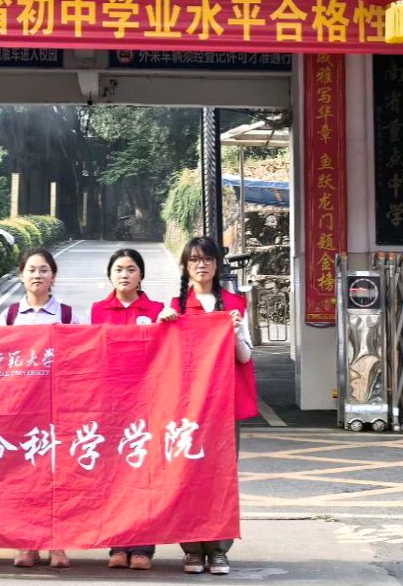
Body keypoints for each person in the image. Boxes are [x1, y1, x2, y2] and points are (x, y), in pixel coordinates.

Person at [160, 235, 256, 577]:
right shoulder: (176, 306)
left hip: (224, 406)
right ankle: (191, 549)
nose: (201, 265)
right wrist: (163, 325)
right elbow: (164, 356)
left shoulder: (235, 305)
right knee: (187, 475)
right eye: (194, 260)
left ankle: (218, 549)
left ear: (217, 265)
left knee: (220, 476)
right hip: (187, 406)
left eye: (207, 259)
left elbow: (244, 357)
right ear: (186, 266)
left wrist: (235, 332)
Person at [89, 248, 164, 571]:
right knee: (115, 477)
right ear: (110, 274)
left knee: (145, 476)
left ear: (141, 275)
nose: (124, 274)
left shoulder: (158, 310)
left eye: (131, 269)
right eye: (118, 269)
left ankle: (143, 547)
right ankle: (118, 545)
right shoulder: (98, 310)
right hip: (111, 404)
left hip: (148, 403)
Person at [4, 249, 75, 569]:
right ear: (21, 275)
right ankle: (28, 543)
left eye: (44, 269)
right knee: (24, 478)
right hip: (21, 409)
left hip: (57, 408)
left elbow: (82, 357)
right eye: (31, 269)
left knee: (59, 478)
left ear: (53, 276)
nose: (37, 275)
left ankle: (58, 544)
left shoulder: (68, 314)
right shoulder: (11, 315)